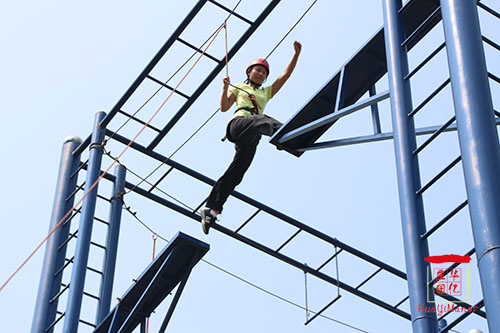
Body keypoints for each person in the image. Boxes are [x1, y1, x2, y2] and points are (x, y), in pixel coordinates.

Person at [201, 41, 302, 234]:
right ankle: (289, 136)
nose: (261, 74)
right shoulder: (238, 86)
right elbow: (224, 108)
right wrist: (224, 89)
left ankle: (211, 210)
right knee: (263, 120)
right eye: (258, 70)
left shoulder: (266, 92)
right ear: (249, 72)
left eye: (264, 73)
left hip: (253, 135)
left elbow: (285, 76)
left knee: (238, 171)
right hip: (239, 125)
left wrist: (295, 54)